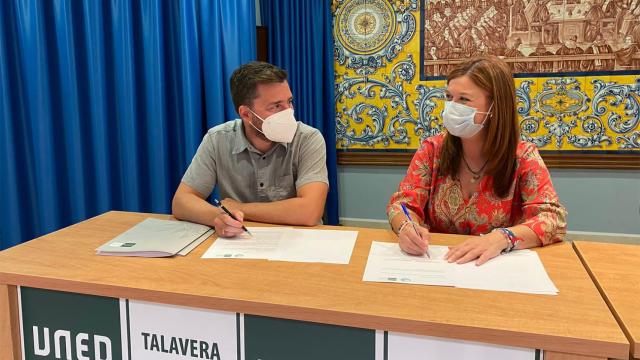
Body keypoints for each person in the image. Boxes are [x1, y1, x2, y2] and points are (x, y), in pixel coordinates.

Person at [386, 56, 567, 266]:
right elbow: (401, 204)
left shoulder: (523, 157)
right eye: (448, 97)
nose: (452, 107)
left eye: (464, 99)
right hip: (439, 264)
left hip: (496, 268)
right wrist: (405, 227)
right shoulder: (432, 150)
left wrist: (501, 238)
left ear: (494, 107)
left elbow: (553, 220)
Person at [172, 61, 329, 237]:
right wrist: (219, 217)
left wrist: (239, 208)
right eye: (276, 106)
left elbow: (310, 212)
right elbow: (181, 201)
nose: (289, 112)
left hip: (299, 241)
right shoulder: (217, 139)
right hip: (238, 241)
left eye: (289, 102)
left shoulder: (308, 138)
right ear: (246, 114)